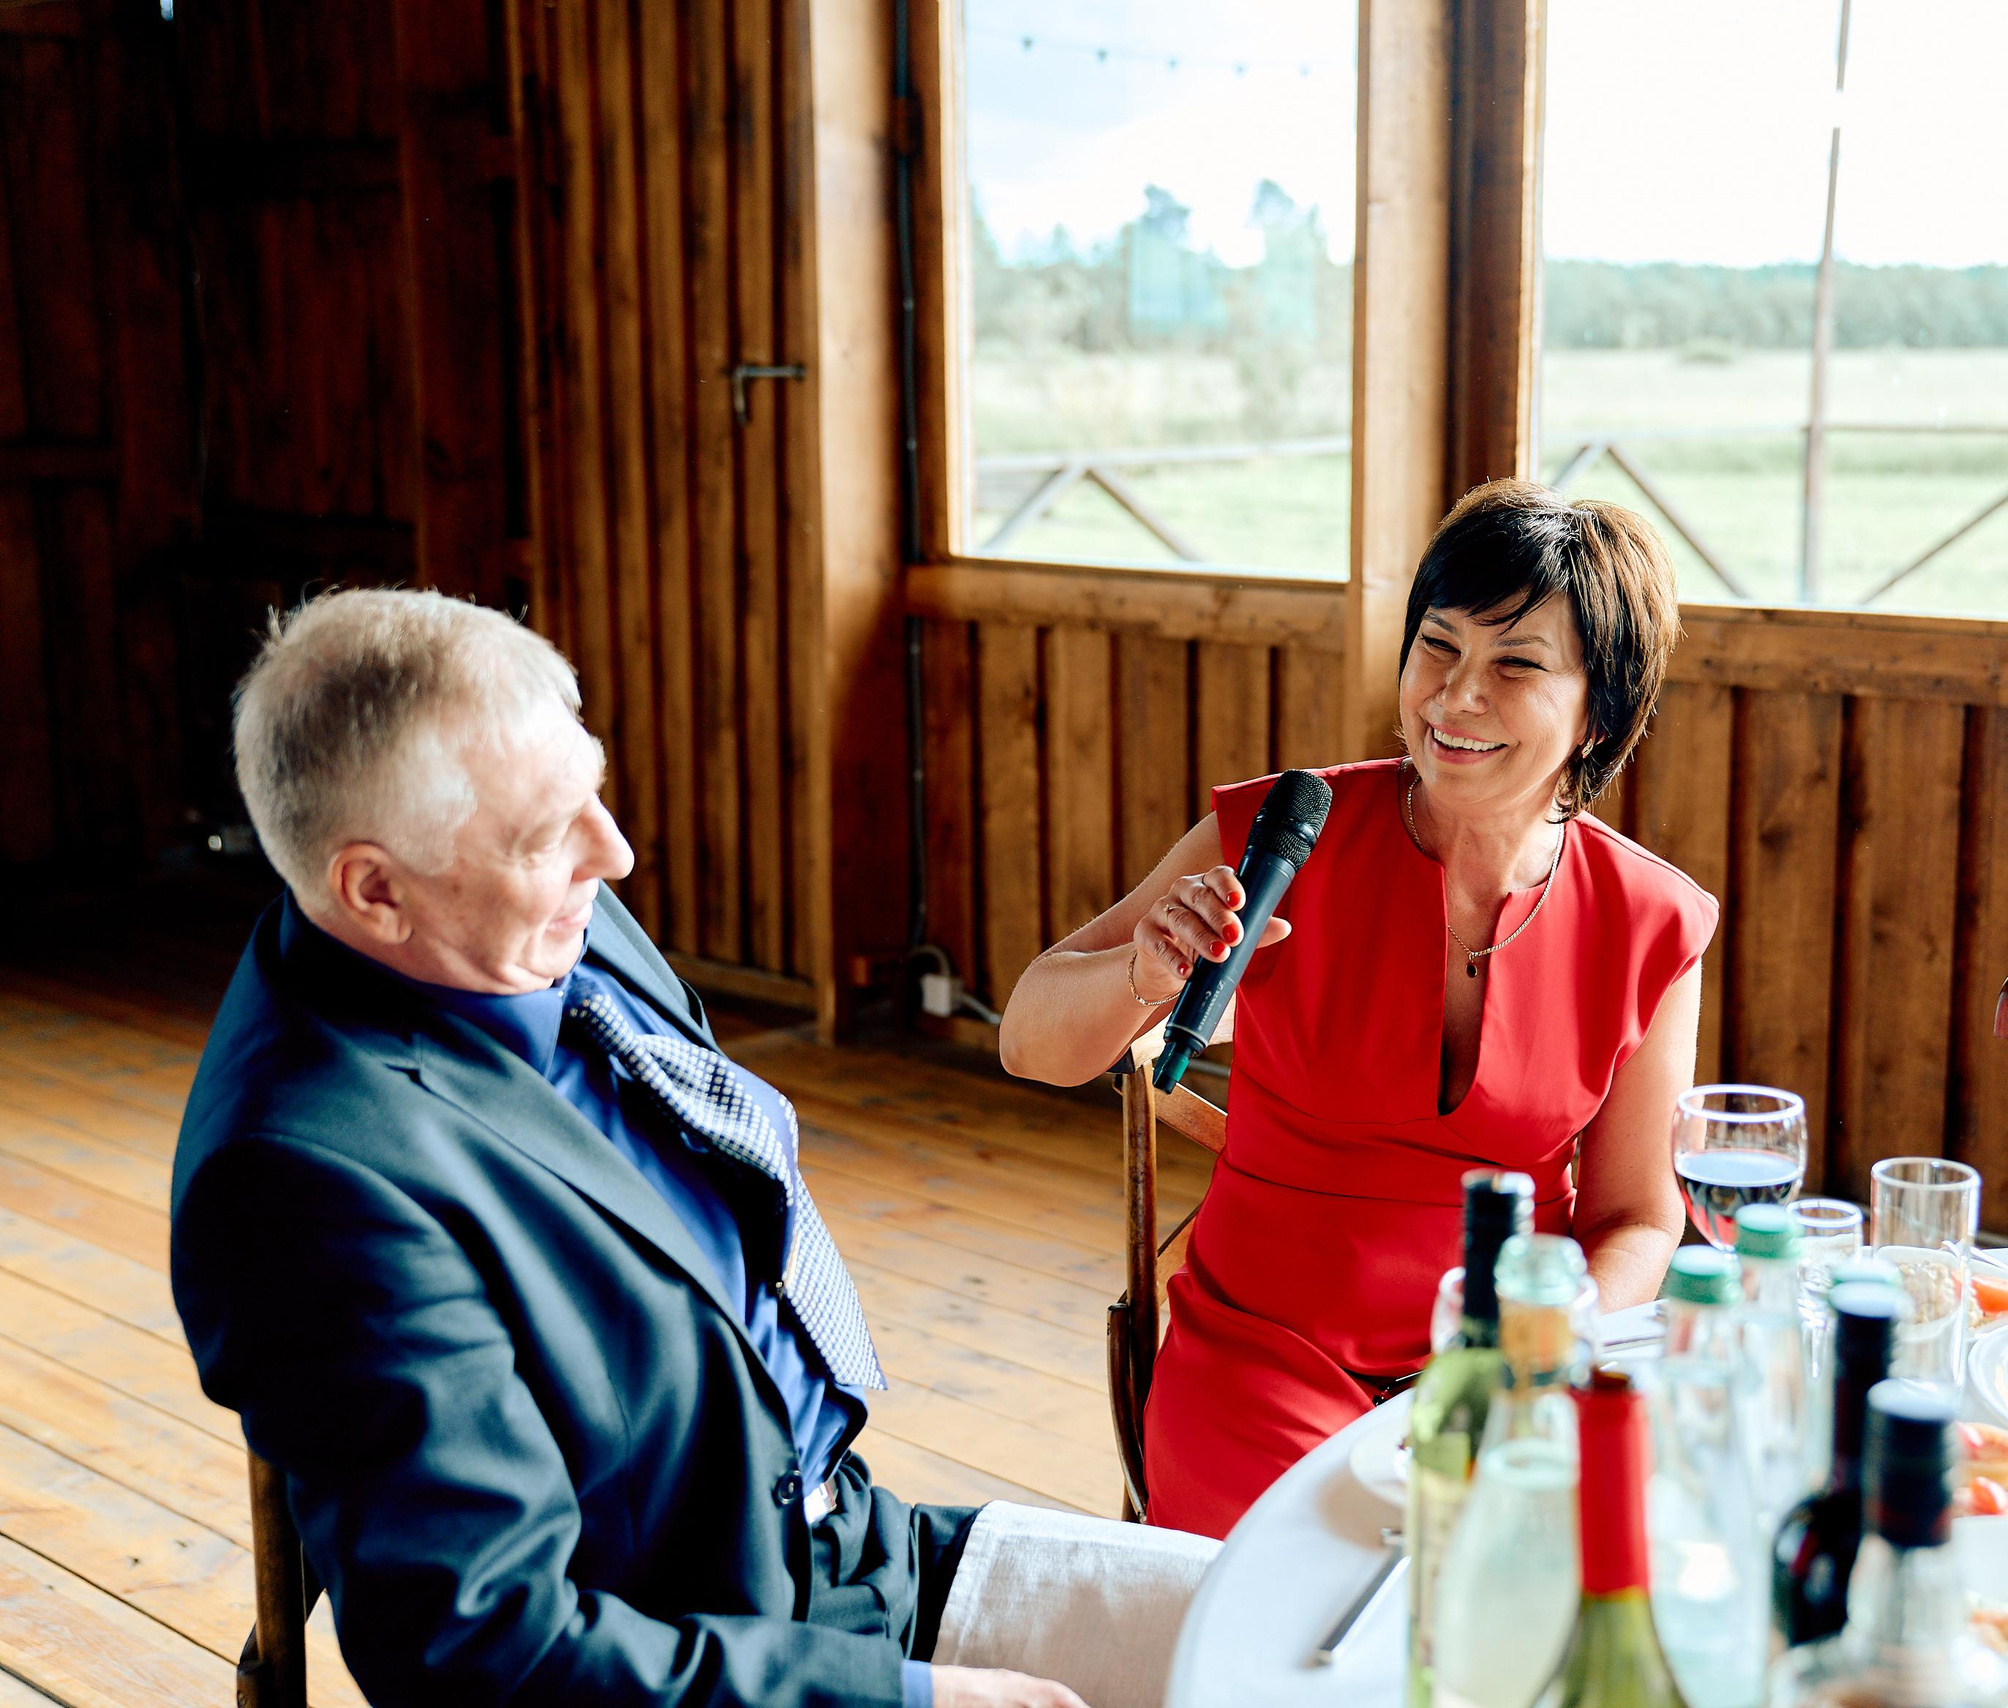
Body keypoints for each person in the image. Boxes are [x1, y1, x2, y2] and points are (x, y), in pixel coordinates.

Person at [172, 589, 1213, 1708]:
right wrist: (911, 1703)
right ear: (375, 889)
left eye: (591, 788)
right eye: (546, 834)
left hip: (856, 1551)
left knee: (1314, 1638)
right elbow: (491, 1655)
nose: (613, 853)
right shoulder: (304, 1185)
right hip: (710, 1655)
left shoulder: (517, 916)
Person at [1000, 480, 1717, 1537]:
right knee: (1315, 1572)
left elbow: (1636, 1217)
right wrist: (1144, 974)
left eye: (1515, 665)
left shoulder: (1649, 917)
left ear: (1599, 711)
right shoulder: (1286, 832)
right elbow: (1028, 1040)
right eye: (1439, 646)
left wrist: (1555, 1347)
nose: (1455, 697)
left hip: (1509, 1362)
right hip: (1265, 1355)